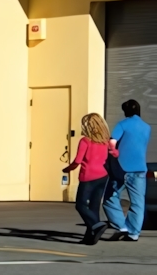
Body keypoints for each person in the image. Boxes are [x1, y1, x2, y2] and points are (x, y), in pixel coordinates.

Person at [105, 99, 151, 241]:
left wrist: (114, 153)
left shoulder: (122, 124)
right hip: (140, 169)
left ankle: (121, 225)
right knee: (138, 202)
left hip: (122, 168)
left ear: (126, 111)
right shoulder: (147, 127)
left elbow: (111, 143)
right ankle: (133, 233)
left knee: (110, 197)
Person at [63, 113, 113, 244]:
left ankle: (97, 225)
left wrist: (68, 169)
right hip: (103, 175)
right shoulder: (106, 141)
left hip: (88, 177)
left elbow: (78, 160)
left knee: (80, 205)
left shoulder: (85, 141)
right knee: (94, 206)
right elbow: (115, 154)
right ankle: (90, 237)